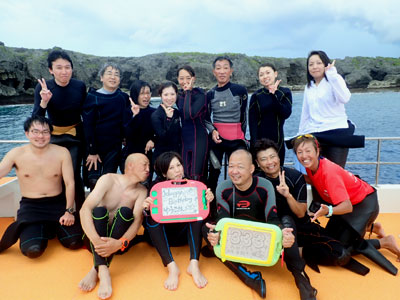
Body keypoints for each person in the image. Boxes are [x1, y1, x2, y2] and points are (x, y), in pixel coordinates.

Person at [204, 149, 317, 300]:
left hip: (262, 244)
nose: (234, 171)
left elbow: (273, 219)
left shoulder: (264, 186)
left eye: (240, 167)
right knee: (207, 229)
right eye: (231, 166)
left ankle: (302, 281)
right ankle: (250, 278)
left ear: (251, 169)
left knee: (287, 223)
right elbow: (222, 221)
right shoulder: (223, 188)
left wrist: (283, 234)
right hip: (236, 242)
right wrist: (215, 235)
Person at [293, 134, 400, 275]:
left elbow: (347, 206)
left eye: (308, 151)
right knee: (329, 238)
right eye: (299, 152)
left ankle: (386, 242)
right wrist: (290, 175)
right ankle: (372, 227)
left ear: (317, 151)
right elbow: (314, 180)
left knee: (341, 250)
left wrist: (328, 211)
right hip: (351, 201)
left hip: (363, 205)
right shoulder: (312, 165)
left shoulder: (329, 172)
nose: (304, 156)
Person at [252, 138, 363, 274]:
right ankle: (286, 249)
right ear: (257, 163)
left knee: (339, 252)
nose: (269, 162)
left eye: (272, 157)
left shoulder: (295, 176)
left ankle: (295, 251)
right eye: (263, 159)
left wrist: (288, 195)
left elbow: (300, 213)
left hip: (300, 227)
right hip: (273, 229)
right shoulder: (255, 181)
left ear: (279, 157)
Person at [0, 116, 82, 258]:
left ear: (50, 134)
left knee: (75, 243)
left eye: (45, 132)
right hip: (31, 207)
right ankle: (42, 228)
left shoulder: (62, 152)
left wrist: (69, 211)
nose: (40, 136)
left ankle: (50, 226)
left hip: (58, 205)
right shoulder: (16, 154)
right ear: (27, 134)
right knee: (33, 250)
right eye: (35, 131)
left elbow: (70, 183)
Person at [78, 153, 149, 300]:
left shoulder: (142, 191)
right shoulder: (108, 179)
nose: (148, 169)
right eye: (145, 165)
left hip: (119, 245)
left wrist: (119, 243)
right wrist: (96, 241)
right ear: (130, 165)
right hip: (94, 240)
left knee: (125, 212)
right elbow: (85, 209)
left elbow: (137, 223)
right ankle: (103, 271)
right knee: (99, 210)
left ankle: (95, 268)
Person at [142, 152, 214, 291]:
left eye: (179, 165)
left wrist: (208, 200)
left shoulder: (192, 184)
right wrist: (146, 209)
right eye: (171, 168)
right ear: (164, 173)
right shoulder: (156, 187)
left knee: (197, 214)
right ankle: (171, 267)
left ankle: (194, 264)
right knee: (151, 216)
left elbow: (206, 216)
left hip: (184, 237)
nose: (177, 170)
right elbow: (146, 220)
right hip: (164, 238)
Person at [32, 50, 87, 209]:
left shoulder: (80, 86)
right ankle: (58, 212)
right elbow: (36, 119)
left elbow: (88, 114)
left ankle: (80, 213)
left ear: (72, 69)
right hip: (54, 137)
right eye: (59, 67)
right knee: (54, 176)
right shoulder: (43, 88)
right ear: (51, 70)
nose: (64, 72)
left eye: (67, 67)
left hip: (75, 136)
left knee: (74, 175)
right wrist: (44, 102)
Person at [297, 50, 363, 168]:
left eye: (318, 63)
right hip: (315, 135)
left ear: (325, 64)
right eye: (311, 64)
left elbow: (345, 97)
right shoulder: (309, 87)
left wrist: (332, 75)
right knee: (316, 175)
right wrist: (300, 135)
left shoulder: (334, 80)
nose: (315, 67)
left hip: (336, 132)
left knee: (334, 174)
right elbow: (305, 113)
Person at [82, 62, 131, 190]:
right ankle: (93, 209)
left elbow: (126, 121)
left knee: (109, 180)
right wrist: (92, 151)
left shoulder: (123, 97)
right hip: (94, 147)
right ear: (101, 77)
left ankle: (105, 209)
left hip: (114, 147)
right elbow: (88, 125)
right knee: (94, 181)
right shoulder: (92, 97)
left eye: (117, 75)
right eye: (109, 73)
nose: (113, 77)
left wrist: (126, 137)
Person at [205, 56, 248, 195]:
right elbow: (206, 117)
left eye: (225, 68)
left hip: (236, 140)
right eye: (218, 68)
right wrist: (212, 131)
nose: (222, 71)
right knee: (214, 172)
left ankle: (238, 204)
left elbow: (244, 116)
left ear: (231, 71)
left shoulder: (240, 91)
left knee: (238, 173)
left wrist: (242, 136)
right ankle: (211, 207)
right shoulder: (210, 94)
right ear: (214, 72)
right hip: (217, 140)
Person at [249, 63, 292, 164]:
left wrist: (274, 95)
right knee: (259, 173)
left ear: (275, 74)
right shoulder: (256, 96)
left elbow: (285, 113)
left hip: (278, 141)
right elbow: (252, 122)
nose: (265, 76)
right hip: (259, 142)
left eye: (268, 73)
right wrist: (254, 144)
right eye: (261, 74)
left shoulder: (284, 92)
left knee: (277, 170)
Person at [177, 65, 209, 182]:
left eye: (188, 78)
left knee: (197, 176)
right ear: (177, 79)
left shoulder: (200, 95)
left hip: (199, 139)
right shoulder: (178, 96)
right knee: (184, 175)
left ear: (193, 78)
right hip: (185, 140)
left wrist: (189, 93)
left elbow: (189, 115)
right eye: (181, 78)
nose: (184, 81)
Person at [121, 80, 155, 179]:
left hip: (147, 157)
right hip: (129, 156)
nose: (146, 96)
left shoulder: (154, 112)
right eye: (142, 93)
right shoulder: (127, 112)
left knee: (145, 186)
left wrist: (153, 140)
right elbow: (127, 134)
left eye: (148, 93)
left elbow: (161, 133)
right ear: (135, 95)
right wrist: (135, 115)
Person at [151, 82, 181, 163]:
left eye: (172, 94)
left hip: (176, 155)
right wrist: (168, 119)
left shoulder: (177, 112)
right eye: (166, 95)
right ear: (160, 95)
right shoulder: (156, 115)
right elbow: (163, 137)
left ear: (176, 94)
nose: (169, 98)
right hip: (162, 158)